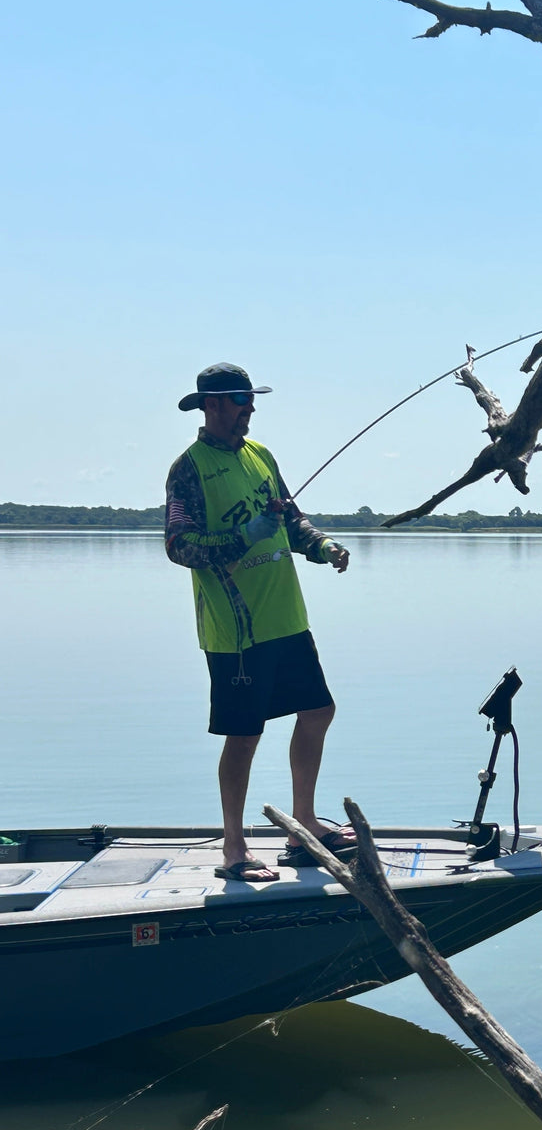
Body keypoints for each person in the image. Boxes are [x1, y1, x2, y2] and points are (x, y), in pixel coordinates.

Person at [165, 363, 351, 882]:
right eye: (242, 398)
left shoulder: (261, 455)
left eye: (252, 398)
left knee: (318, 710)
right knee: (244, 736)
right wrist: (245, 534)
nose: (251, 407)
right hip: (236, 632)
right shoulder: (189, 469)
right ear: (213, 404)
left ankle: (303, 827)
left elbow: (291, 518)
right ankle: (234, 848)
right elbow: (179, 546)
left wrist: (322, 545)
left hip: (286, 616)